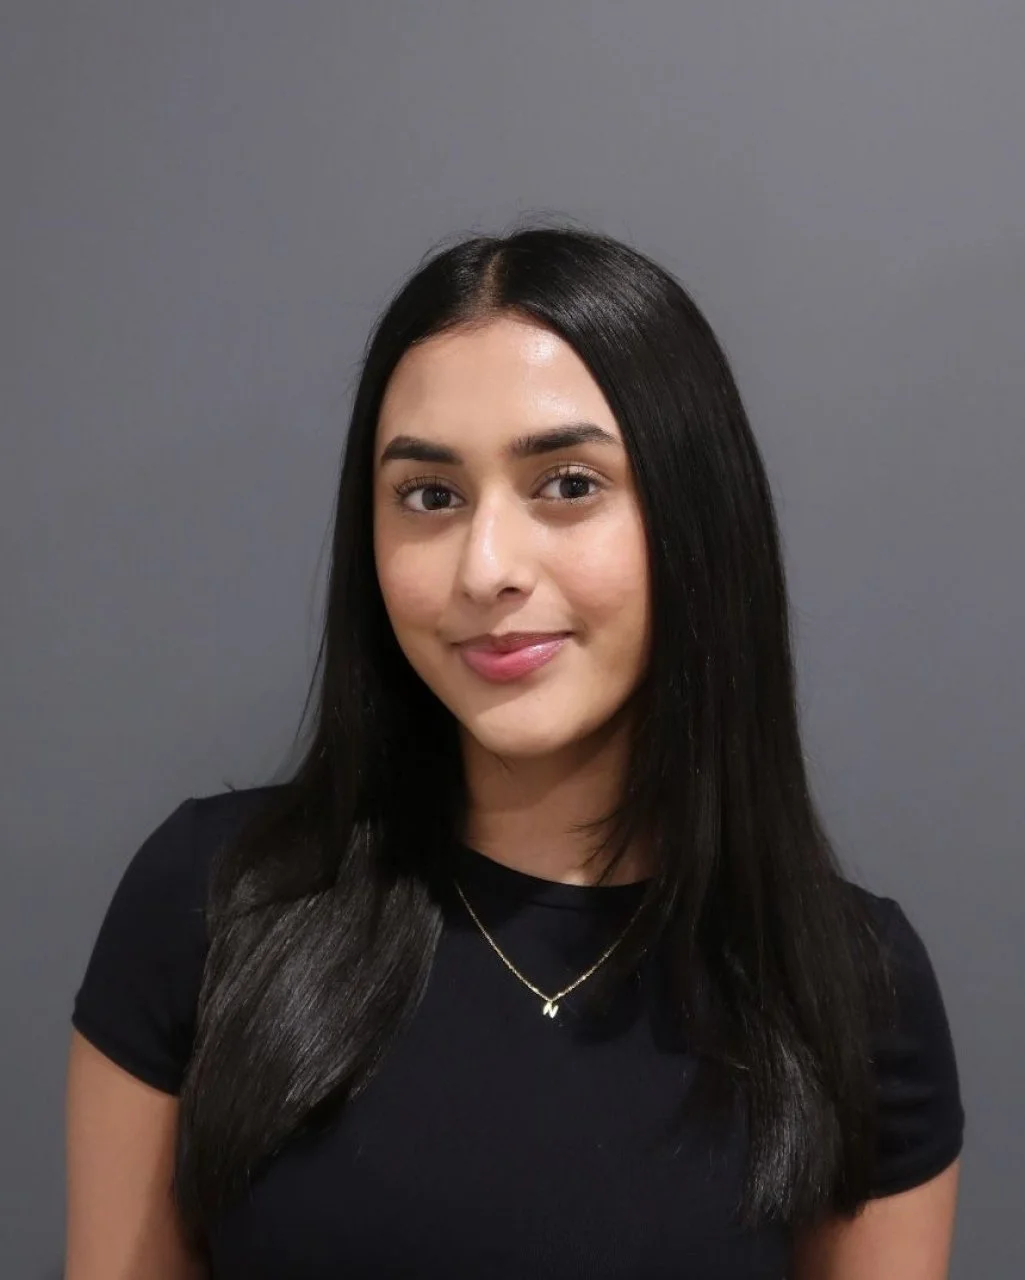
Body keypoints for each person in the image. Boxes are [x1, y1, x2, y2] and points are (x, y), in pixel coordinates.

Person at [65, 224, 965, 1279]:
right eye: (429, 496)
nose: (486, 565)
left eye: (567, 484)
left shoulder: (849, 990)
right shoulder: (213, 902)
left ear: (694, 518)